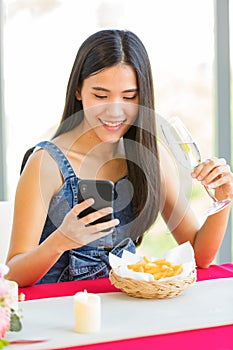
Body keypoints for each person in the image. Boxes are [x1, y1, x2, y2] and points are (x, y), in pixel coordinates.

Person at [6, 29, 233, 287]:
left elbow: (200, 256)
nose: (115, 111)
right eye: (101, 96)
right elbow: (12, 272)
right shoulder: (46, 164)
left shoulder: (150, 158)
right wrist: (59, 242)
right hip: (60, 314)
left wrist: (223, 199)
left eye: (129, 97)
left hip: (125, 310)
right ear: (79, 90)